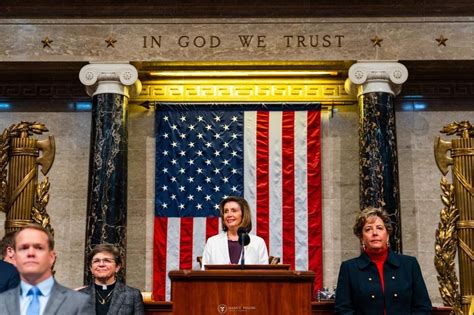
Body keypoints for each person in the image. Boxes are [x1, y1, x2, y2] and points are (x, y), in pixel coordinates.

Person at [335, 207, 432, 315]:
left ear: (387, 235)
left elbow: (423, 307)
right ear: (362, 238)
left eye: (380, 228)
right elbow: (343, 310)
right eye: (368, 229)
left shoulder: (409, 265)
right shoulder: (349, 268)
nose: (375, 233)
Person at [0, 224, 94, 314]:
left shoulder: (77, 303)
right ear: (12, 252)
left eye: (39, 248)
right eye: (24, 248)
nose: (30, 253)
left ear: (52, 257)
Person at [201, 196, 269, 268]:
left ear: (243, 214)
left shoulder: (258, 243)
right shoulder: (212, 242)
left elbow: (264, 274)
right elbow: (204, 271)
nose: (229, 215)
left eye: (234, 210)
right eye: (226, 211)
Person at [79, 244, 144, 315]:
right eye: (96, 261)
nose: (101, 264)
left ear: (117, 267)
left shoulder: (132, 295)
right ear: (91, 268)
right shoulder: (79, 295)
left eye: (106, 260)